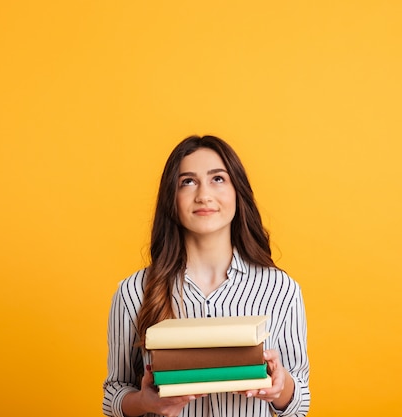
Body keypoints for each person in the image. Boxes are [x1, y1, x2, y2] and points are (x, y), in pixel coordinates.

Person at [103, 135, 310, 417]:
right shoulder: (133, 292)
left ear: (238, 191)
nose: (203, 195)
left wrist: (280, 386)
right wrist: (144, 402)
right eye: (187, 182)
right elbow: (114, 393)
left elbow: (299, 405)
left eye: (218, 179)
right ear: (171, 199)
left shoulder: (281, 289)